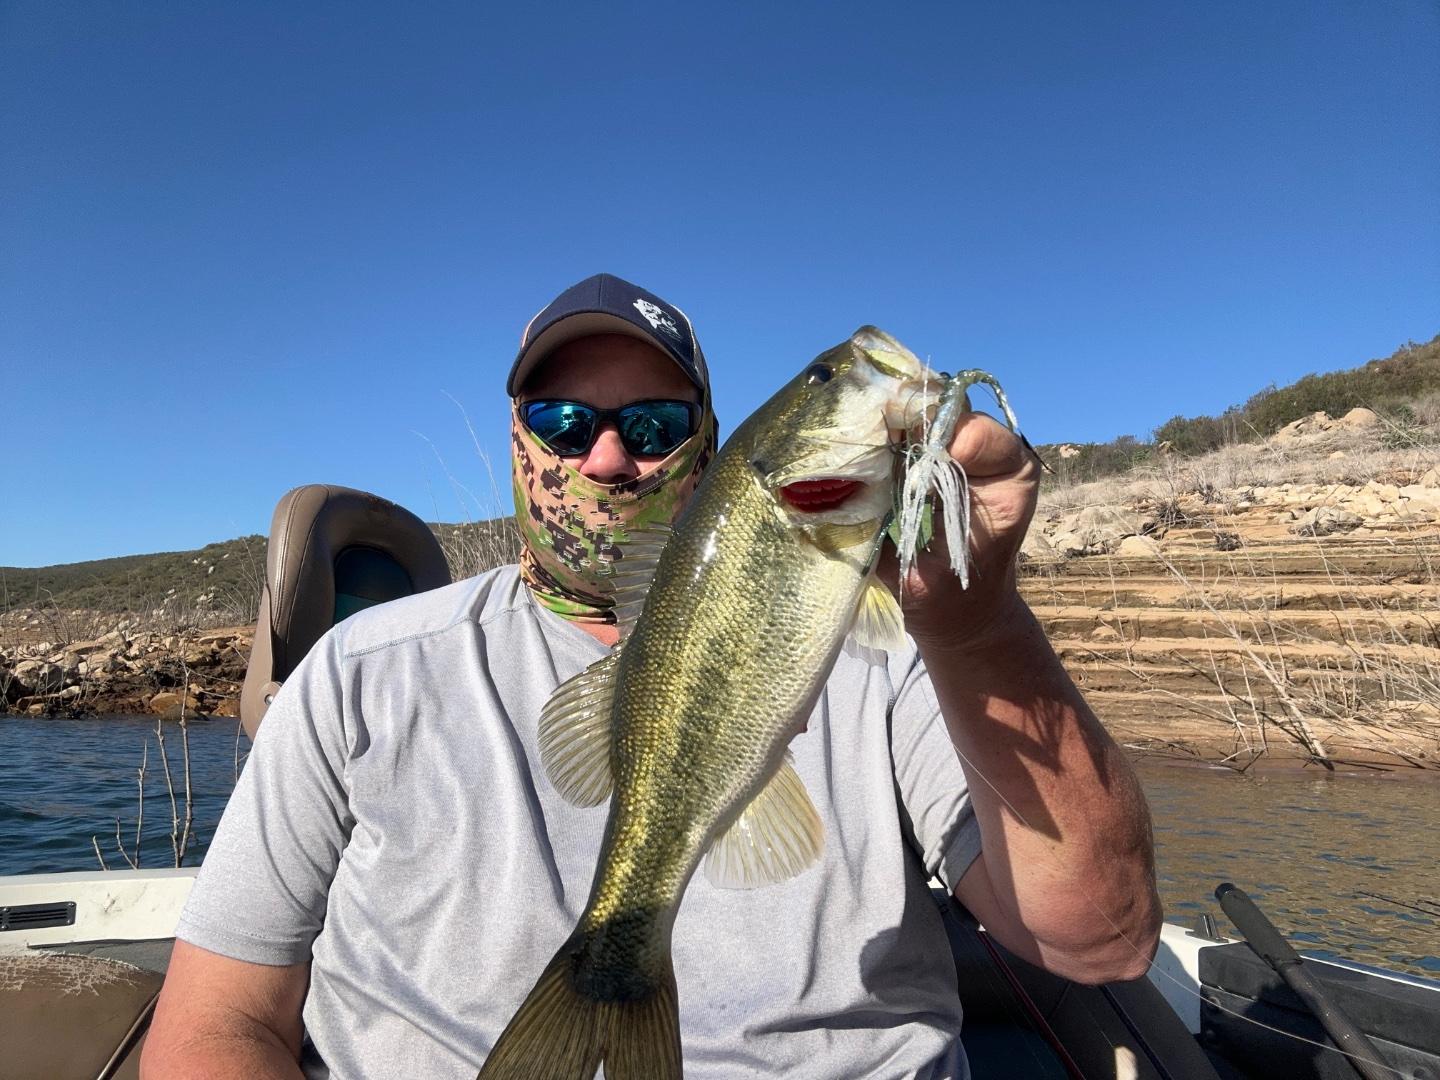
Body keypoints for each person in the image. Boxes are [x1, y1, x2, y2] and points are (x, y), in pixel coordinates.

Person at [142, 273, 1160, 1079]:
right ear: (516, 442)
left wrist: (977, 624)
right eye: (562, 422)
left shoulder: (907, 653)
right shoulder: (356, 675)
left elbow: (1103, 941)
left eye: (654, 427)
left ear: (709, 448)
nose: (607, 459)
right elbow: (210, 1027)